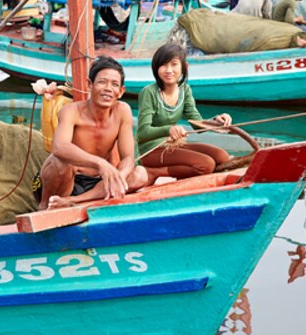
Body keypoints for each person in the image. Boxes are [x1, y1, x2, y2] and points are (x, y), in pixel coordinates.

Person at [35, 56, 148, 210]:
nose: (108, 88)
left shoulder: (122, 111)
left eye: (114, 84)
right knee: (60, 161)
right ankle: (45, 206)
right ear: (89, 84)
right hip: (65, 179)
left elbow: (128, 158)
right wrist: (100, 163)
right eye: (102, 82)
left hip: (97, 184)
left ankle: (75, 200)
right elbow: (59, 147)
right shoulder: (71, 111)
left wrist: (119, 177)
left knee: (140, 174)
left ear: (121, 91)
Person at [137, 43, 231, 183]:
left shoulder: (184, 90)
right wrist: (169, 130)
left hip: (173, 145)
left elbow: (197, 124)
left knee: (222, 156)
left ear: (184, 67)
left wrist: (216, 120)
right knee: (206, 165)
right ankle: (154, 172)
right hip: (152, 150)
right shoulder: (149, 92)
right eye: (163, 65)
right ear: (156, 68)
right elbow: (143, 133)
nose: (168, 70)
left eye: (174, 64)